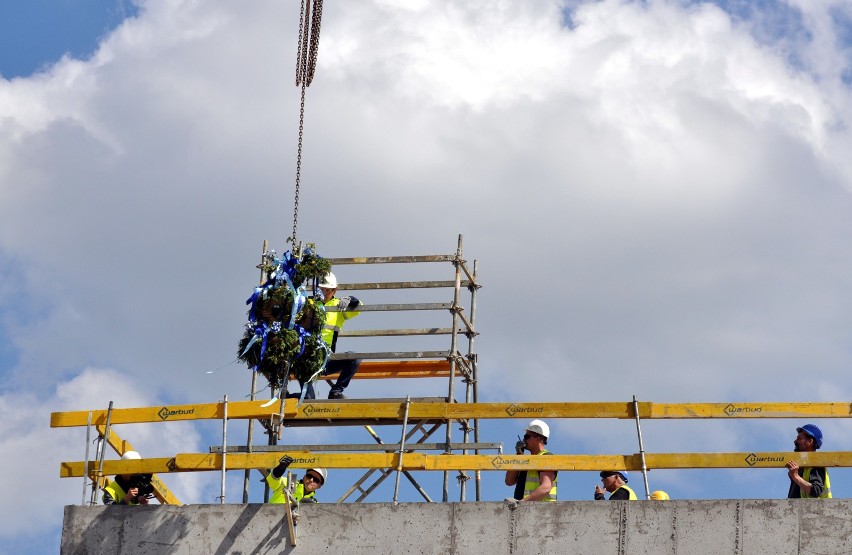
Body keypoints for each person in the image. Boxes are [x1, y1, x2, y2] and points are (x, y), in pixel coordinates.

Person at [299, 272, 361, 400]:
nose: (326, 293)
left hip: (326, 359)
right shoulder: (308, 303)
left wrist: (351, 299)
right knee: (309, 399)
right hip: (305, 360)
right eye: (323, 289)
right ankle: (287, 396)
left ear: (335, 290)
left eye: (329, 290)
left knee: (355, 358)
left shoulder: (339, 306)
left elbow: (360, 307)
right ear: (318, 289)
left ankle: (336, 391)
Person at [504, 420, 558, 502]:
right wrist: (519, 455)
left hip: (541, 510)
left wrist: (523, 502)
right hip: (526, 510)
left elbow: (546, 488)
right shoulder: (526, 461)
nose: (524, 440)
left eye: (527, 437)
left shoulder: (546, 457)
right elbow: (509, 481)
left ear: (538, 439)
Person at [786, 424, 831, 499]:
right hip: (798, 509)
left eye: (799, 438)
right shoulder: (803, 466)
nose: (795, 441)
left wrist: (796, 477)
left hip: (814, 509)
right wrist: (793, 477)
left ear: (810, 441)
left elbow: (816, 490)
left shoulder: (816, 463)